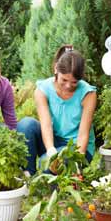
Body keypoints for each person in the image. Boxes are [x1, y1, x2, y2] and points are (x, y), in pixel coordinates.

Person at [17, 45, 97, 176]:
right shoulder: (42, 90)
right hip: (52, 141)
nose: (68, 86)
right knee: (26, 125)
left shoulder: (88, 94)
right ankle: (27, 174)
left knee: (47, 165)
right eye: (64, 80)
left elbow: (83, 134)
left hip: (78, 147)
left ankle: (53, 167)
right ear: (56, 70)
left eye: (74, 82)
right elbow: (46, 125)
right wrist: (50, 151)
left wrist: (77, 161)